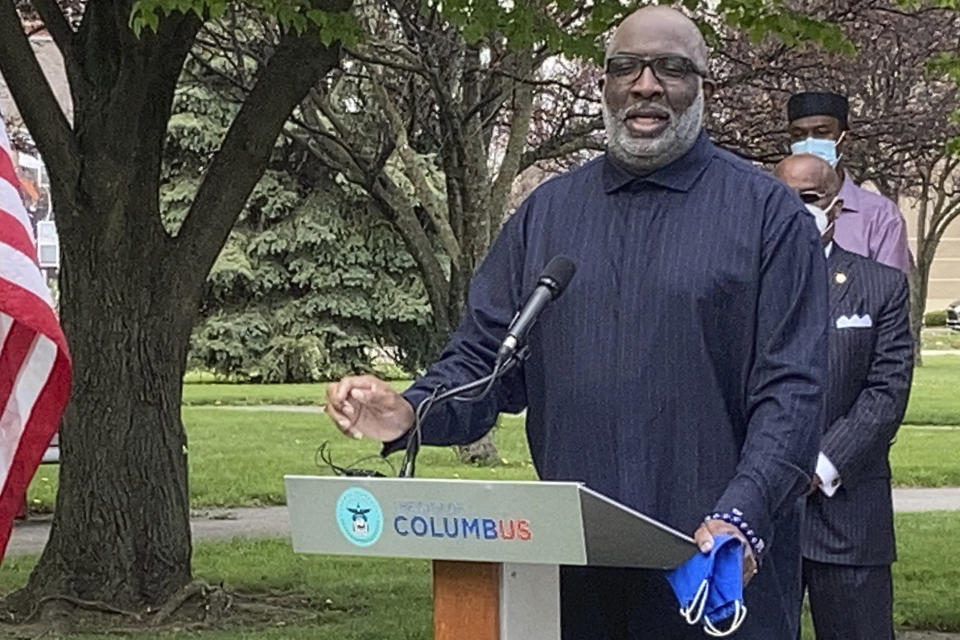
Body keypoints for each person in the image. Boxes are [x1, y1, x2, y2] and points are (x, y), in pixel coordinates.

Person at [326, 7, 828, 638]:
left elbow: (794, 391)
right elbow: (486, 357)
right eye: (626, 68)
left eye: (670, 69)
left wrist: (742, 515)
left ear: (702, 85)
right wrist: (411, 411)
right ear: (605, 86)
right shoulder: (548, 214)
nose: (646, 85)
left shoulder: (767, 216)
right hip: (571, 578)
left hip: (713, 569)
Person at [774, 154, 914, 640]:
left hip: (851, 518)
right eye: (782, 198)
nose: (795, 210)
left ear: (835, 207)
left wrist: (819, 465)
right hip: (764, 519)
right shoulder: (742, 286)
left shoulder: (882, 287)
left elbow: (886, 392)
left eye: (808, 199)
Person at [787, 91, 912, 274]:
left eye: (821, 133)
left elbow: (889, 291)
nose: (809, 143)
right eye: (799, 135)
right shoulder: (772, 208)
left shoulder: (879, 216)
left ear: (844, 139)